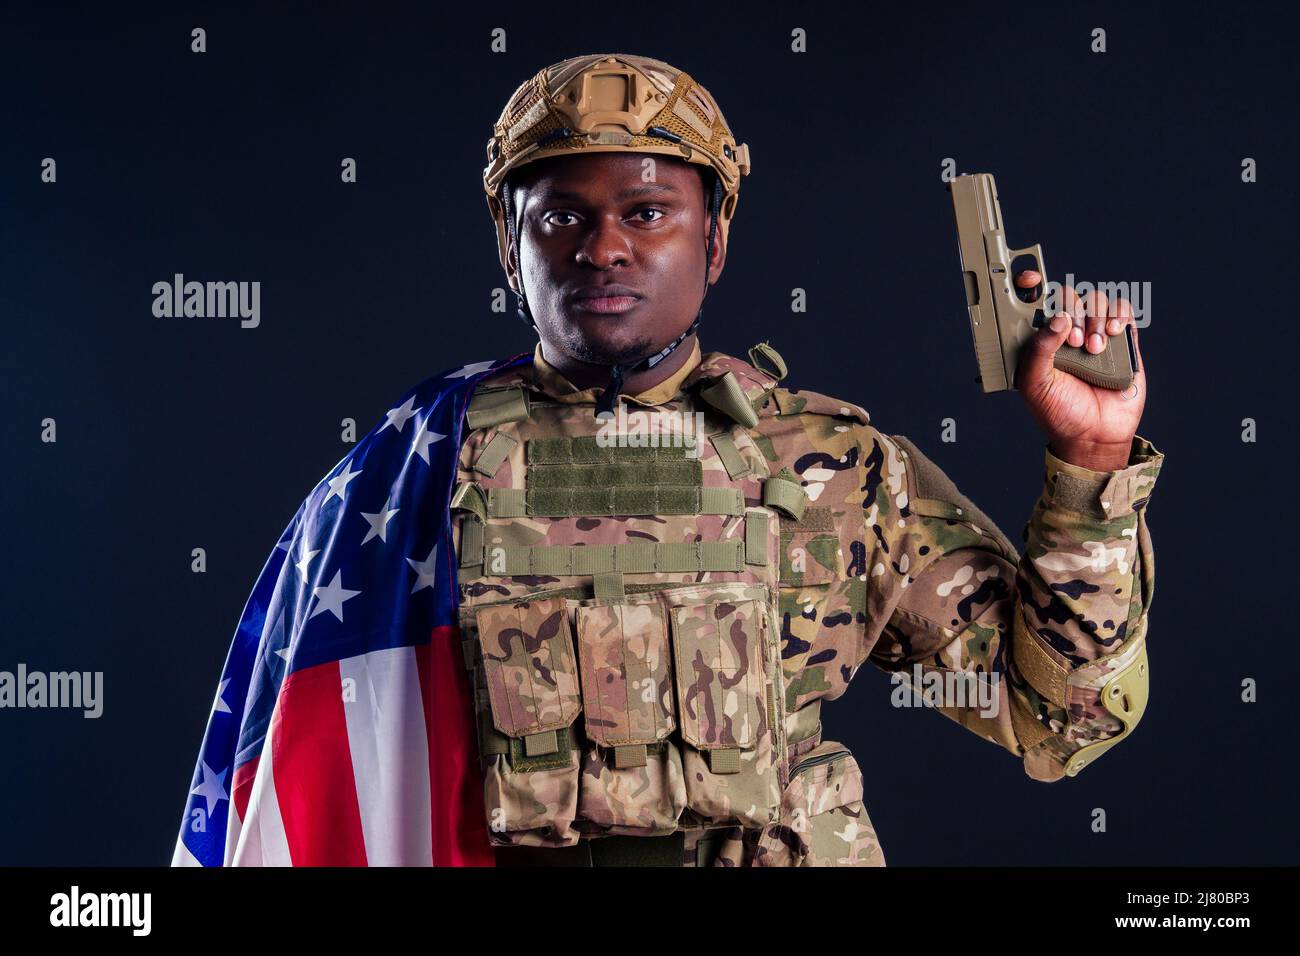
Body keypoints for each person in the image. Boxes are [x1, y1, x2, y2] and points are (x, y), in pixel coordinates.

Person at [173, 52, 1163, 868]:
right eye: (560, 215)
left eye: (647, 211)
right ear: (507, 247)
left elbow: (1058, 720)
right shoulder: (423, 467)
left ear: (715, 238)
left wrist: (1091, 459)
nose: (602, 247)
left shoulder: (829, 462)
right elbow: (323, 768)